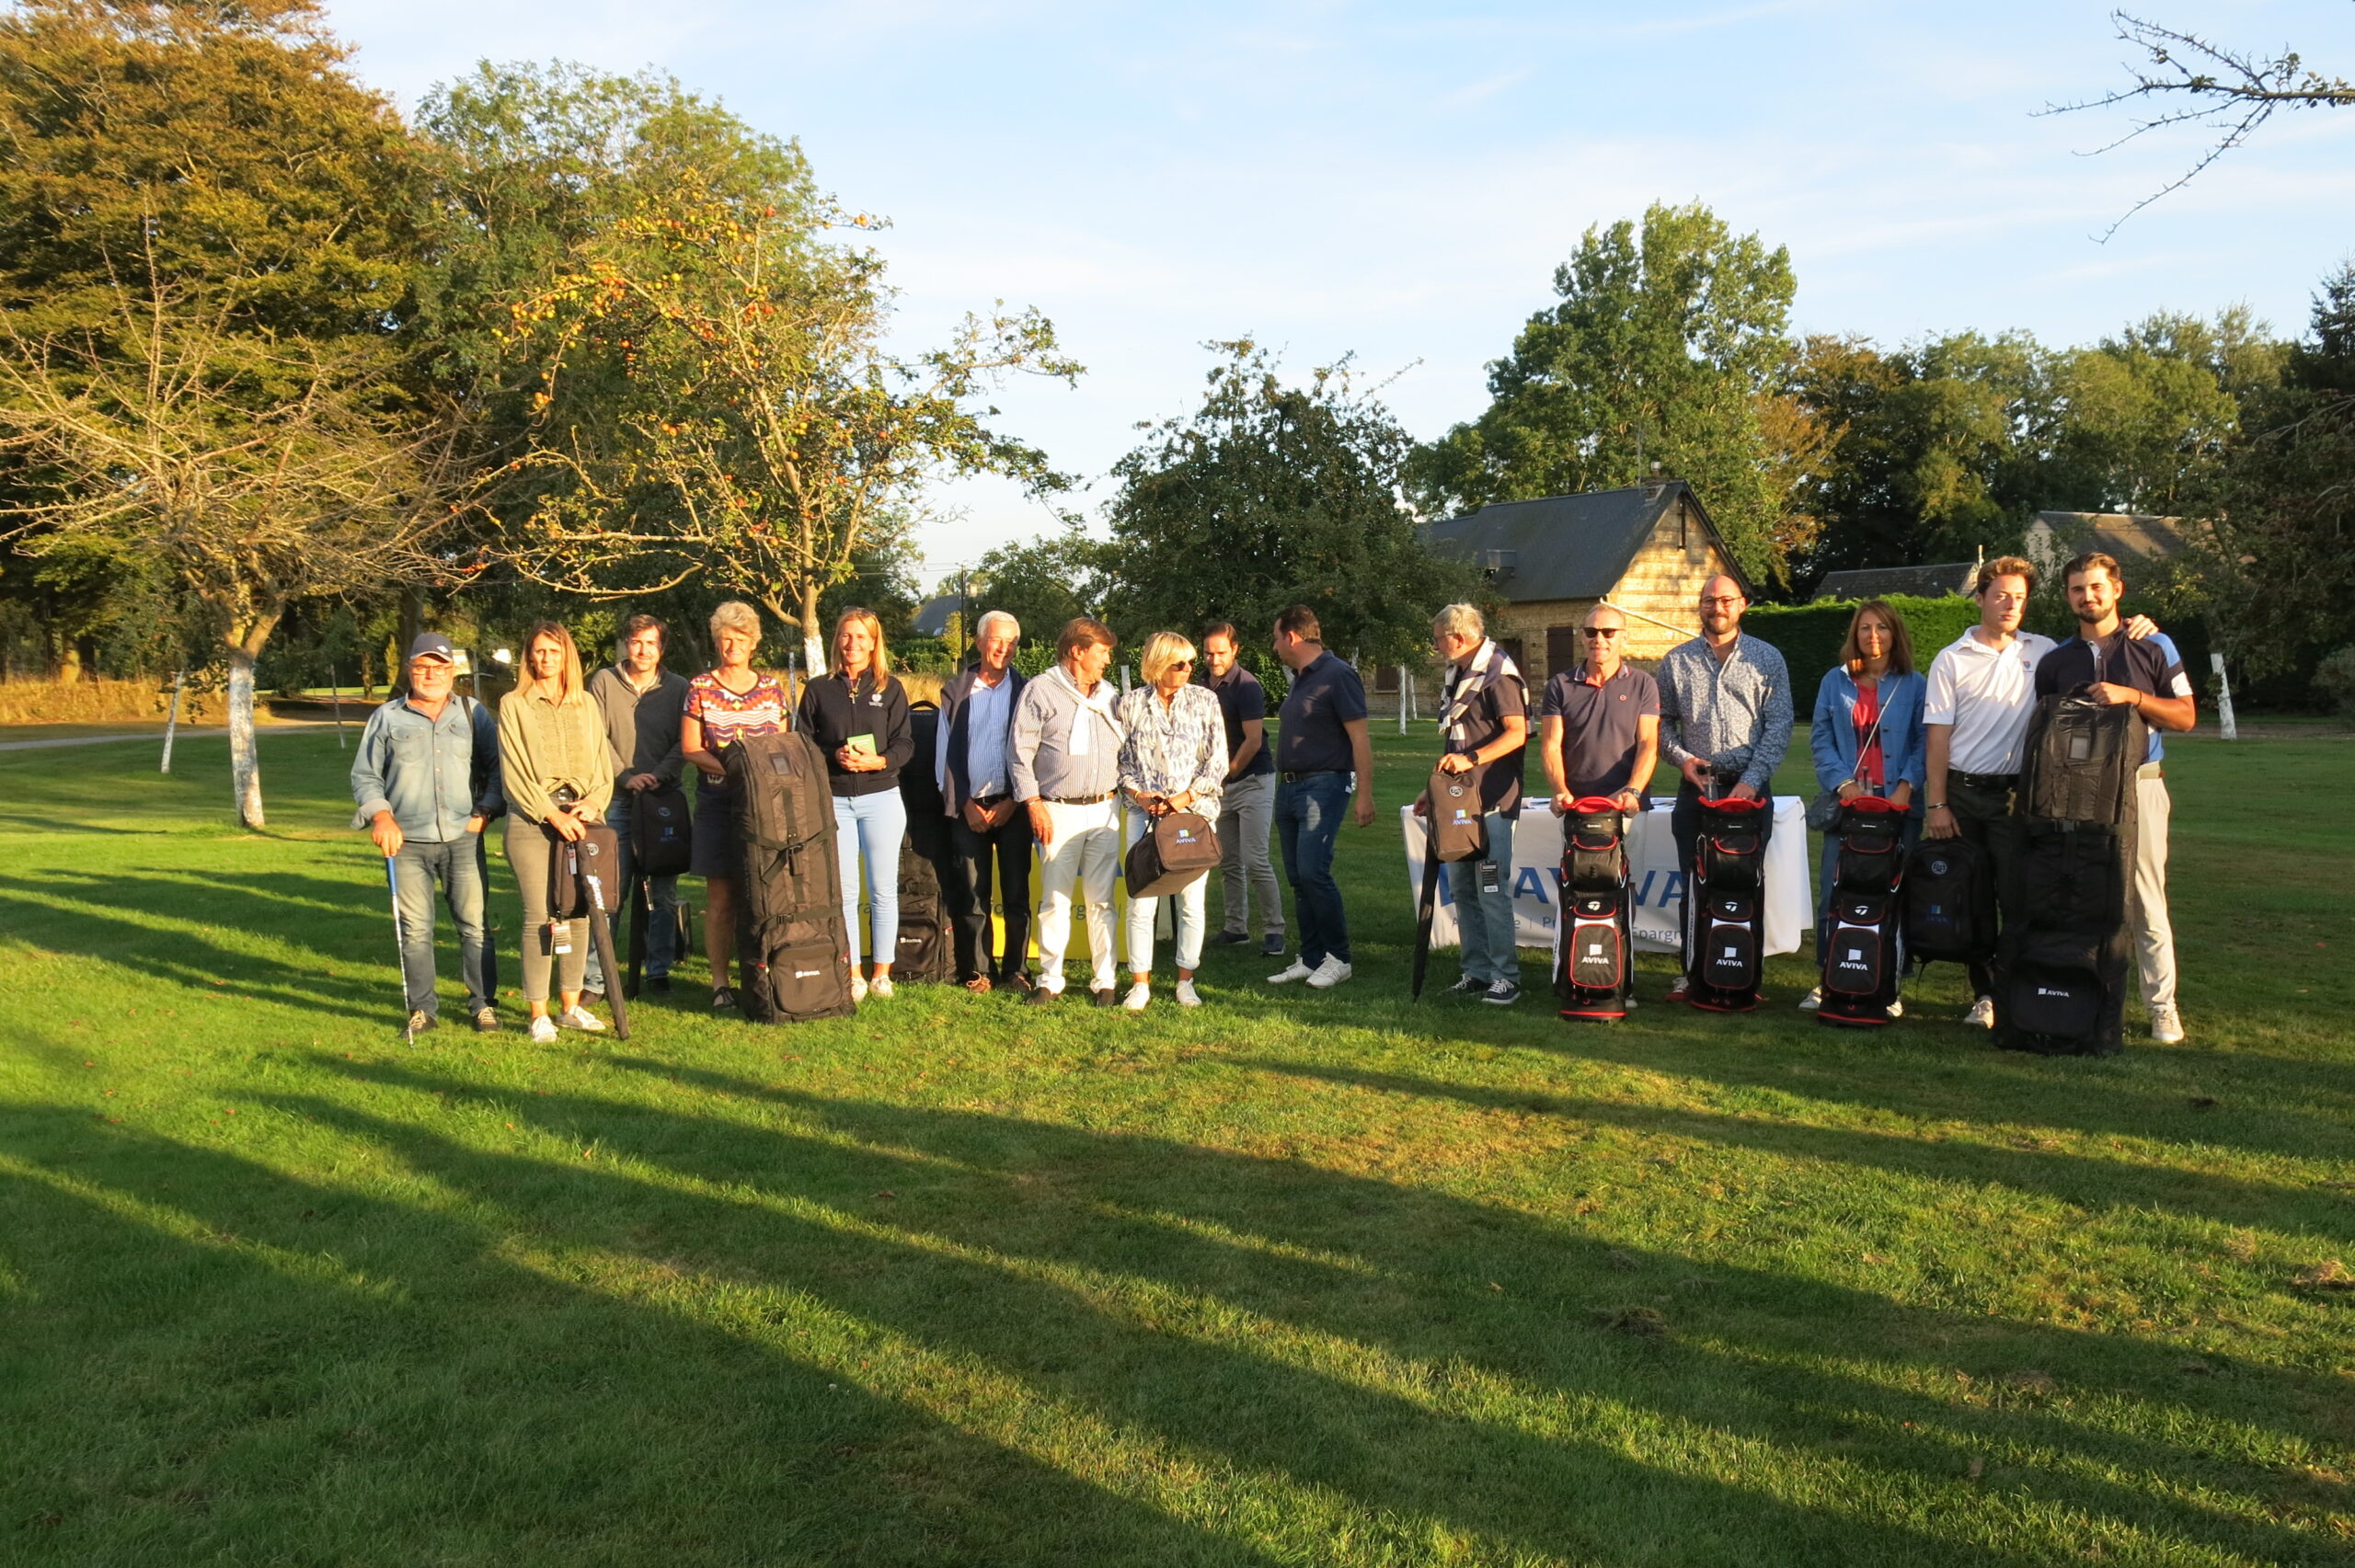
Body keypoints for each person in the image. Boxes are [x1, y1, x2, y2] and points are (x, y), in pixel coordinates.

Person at [2032, 551, 2197, 1044]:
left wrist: (2134, 697)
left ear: (2117, 590)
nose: (2088, 596)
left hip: (2141, 786)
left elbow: (2186, 717)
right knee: (2082, 894)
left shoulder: (2153, 644)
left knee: (2145, 899)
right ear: (2068, 597)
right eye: (2078, 589)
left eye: (2097, 587)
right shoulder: (2056, 660)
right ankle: (2084, 994)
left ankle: (2162, 1008)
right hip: (2076, 793)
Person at [350, 632, 504, 1037]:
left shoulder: (473, 712)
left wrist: (486, 812)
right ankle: (423, 1010)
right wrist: (381, 817)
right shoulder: (387, 717)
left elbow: (497, 769)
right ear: (409, 670)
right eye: (422, 667)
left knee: (474, 926)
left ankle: (483, 1005)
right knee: (416, 931)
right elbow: (365, 775)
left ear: (452, 671)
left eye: (440, 667)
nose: (431, 675)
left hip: (463, 837)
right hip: (406, 842)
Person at [1656, 574, 1794, 1002]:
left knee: (1746, 883)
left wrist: (1752, 780)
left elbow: (1779, 725)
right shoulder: (1676, 661)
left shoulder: (1767, 658)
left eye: (1726, 600)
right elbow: (1660, 723)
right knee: (1693, 884)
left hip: (1750, 789)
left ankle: (1744, 974)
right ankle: (1691, 972)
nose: (1717, 607)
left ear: (1742, 604)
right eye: (1709, 600)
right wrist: (1682, 759)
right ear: (1700, 605)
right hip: (1697, 788)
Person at [1802, 599, 1925, 1015]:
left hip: (1897, 806)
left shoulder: (1915, 684)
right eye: (1865, 628)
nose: (1873, 635)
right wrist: (1845, 784)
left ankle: (1890, 982)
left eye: (1882, 627)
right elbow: (1821, 740)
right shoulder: (1833, 681)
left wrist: (1906, 786)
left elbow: (1925, 740)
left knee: (1894, 895)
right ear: (1854, 634)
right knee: (1833, 893)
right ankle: (1827, 976)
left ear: (1895, 634)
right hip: (1849, 804)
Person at [498, 621, 616, 1046]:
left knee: (579, 911)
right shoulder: (513, 704)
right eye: (538, 650)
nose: (545, 658)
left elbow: (603, 765)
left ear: (567, 655)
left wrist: (593, 803)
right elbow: (514, 772)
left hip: (582, 818)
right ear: (529, 655)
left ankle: (570, 1006)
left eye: (553, 650)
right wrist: (551, 813)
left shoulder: (587, 704)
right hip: (533, 821)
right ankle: (538, 1013)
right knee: (541, 916)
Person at [1414, 604, 1529, 1006]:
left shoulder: (1498, 673)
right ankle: (1477, 972)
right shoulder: (1461, 675)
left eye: (1438, 639)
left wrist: (1472, 759)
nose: (1435, 646)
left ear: (1458, 638)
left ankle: (1506, 977)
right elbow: (1458, 741)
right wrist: (1434, 789)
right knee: (1463, 888)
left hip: (1493, 801)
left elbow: (1517, 733)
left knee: (1491, 889)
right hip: (1459, 801)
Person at [798, 606, 913, 1002]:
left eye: (861, 636)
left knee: (883, 889)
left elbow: (905, 743)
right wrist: (834, 756)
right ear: (837, 640)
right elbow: (803, 743)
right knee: (845, 892)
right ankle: (853, 973)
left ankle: (882, 973)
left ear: (874, 642)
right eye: (846, 635)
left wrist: (879, 761)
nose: (853, 643)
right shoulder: (818, 689)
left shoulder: (891, 688)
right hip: (835, 800)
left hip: (882, 797)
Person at [681, 601, 791, 1012]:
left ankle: (766, 973)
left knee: (765, 894)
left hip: (764, 806)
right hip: (717, 803)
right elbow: (691, 748)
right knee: (722, 897)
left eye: (740, 639)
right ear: (717, 642)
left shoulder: (771, 689)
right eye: (725, 639)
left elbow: (783, 746)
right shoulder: (700, 687)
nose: (732, 646)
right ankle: (719, 981)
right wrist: (736, 768)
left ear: (753, 643)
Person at [1011, 617, 1125, 1007]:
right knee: (1055, 900)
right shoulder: (1040, 691)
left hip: (1105, 808)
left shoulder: (1109, 695)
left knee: (1102, 900)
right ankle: (1050, 979)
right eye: (1102, 652)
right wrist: (1033, 805)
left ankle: (1105, 980)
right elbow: (1020, 754)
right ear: (1077, 651)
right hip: (1057, 810)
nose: (1107, 660)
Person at [1115, 631, 1229, 1010]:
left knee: (1191, 903)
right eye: (1179, 663)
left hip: (1193, 815)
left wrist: (1185, 798)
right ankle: (1140, 983)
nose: (1188, 669)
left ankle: (1186, 980)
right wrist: (1139, 795)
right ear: (1158, 664)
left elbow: (1217, 761)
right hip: (1144, 817)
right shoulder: (1130, 705)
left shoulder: (1205, 701)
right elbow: (1121, 761)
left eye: (1191, 662)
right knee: (1141, 901)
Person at [1267, 604, 1374, 990]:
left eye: (1276, 638)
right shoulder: (1300, 678)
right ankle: (1311, 958)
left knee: (1314, 871)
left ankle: (1339, 958)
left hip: (1323, 785)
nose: (1275, 647)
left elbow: (1359, 737)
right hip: (1290, 787)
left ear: (1292, 636)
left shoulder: (1338, 674)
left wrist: (1365, 794)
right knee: (1298, 877)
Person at [584, 613, 688, 997]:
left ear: (662, 648)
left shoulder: (679, 687)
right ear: (626, 644)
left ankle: (657, 970)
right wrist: (625, 776)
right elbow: (595, 737)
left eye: (651, 643)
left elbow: (685, 741)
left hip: (664, 801)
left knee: (662, 894)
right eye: (636, 642)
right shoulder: (603, 681)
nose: (643, 650)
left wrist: (658, 775)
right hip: (617, 802)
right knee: (610, 893)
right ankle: (597, 979)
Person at [936, 609, 1031, 992]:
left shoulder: (1026, 691)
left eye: (1012, 642)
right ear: (979, 642)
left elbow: (1035, 752)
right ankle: (979, 970)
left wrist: (1014, 801)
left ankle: (1017, 971)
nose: (1004, 648)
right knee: (974, 896)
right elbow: (943, 755)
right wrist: (965, 805)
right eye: (997, 640)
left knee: (1016, 894)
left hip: (1014, 807)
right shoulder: (955, 691)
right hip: (969, 809)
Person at [1200, 622, 1284, 957]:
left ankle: (1274, 930)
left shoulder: (1246, 685)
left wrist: (1227, 773)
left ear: (1235, 650)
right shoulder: (1200, 684)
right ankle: (1236, 928)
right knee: (1229, 861)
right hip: (1221, 785)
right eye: (1208, 653)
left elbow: (1253, 741)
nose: (1214, 659)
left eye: (1221, 652)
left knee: (1255, 859)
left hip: (1253, 780)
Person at [1539, 602, 1660, 816]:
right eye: (1591, 632)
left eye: (1609, 632)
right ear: (1582, 637)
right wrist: (1560, 791)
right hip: (1576, 804)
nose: (1599, 639)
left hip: (1627, 803)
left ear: (1624, 637)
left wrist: (1634, 791)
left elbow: (1647, 743)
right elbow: (1551, 746)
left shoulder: (1643, 684)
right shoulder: (1560, 685)